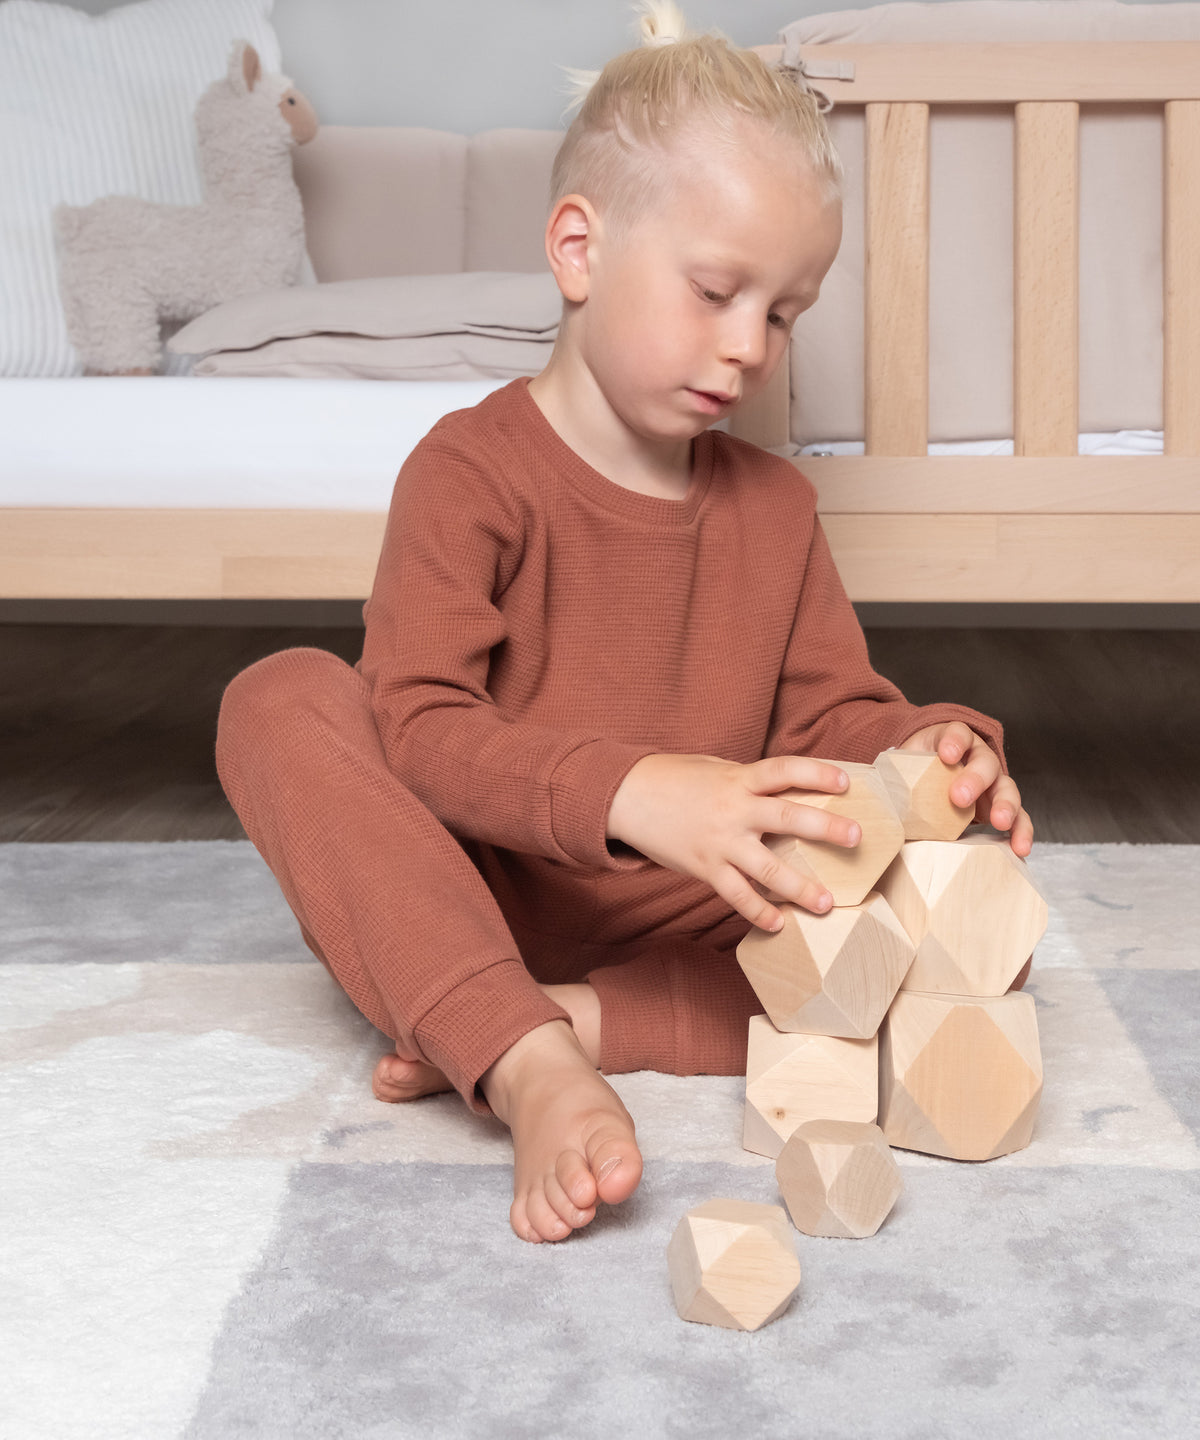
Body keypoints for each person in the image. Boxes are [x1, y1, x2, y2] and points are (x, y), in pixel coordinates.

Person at [215, 1, 1034, 1246]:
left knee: (966, 947)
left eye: (785, 312)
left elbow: (837, 716)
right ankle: (526, 1055)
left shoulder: (775, 506)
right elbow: (421, 729)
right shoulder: (470, 470)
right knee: (278, 698)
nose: (750, 345)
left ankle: (561, 1018)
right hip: (463, 881)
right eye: (715, 291)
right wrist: (636, 789)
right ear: (579, 250)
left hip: (696, 909)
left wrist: (931, 754)